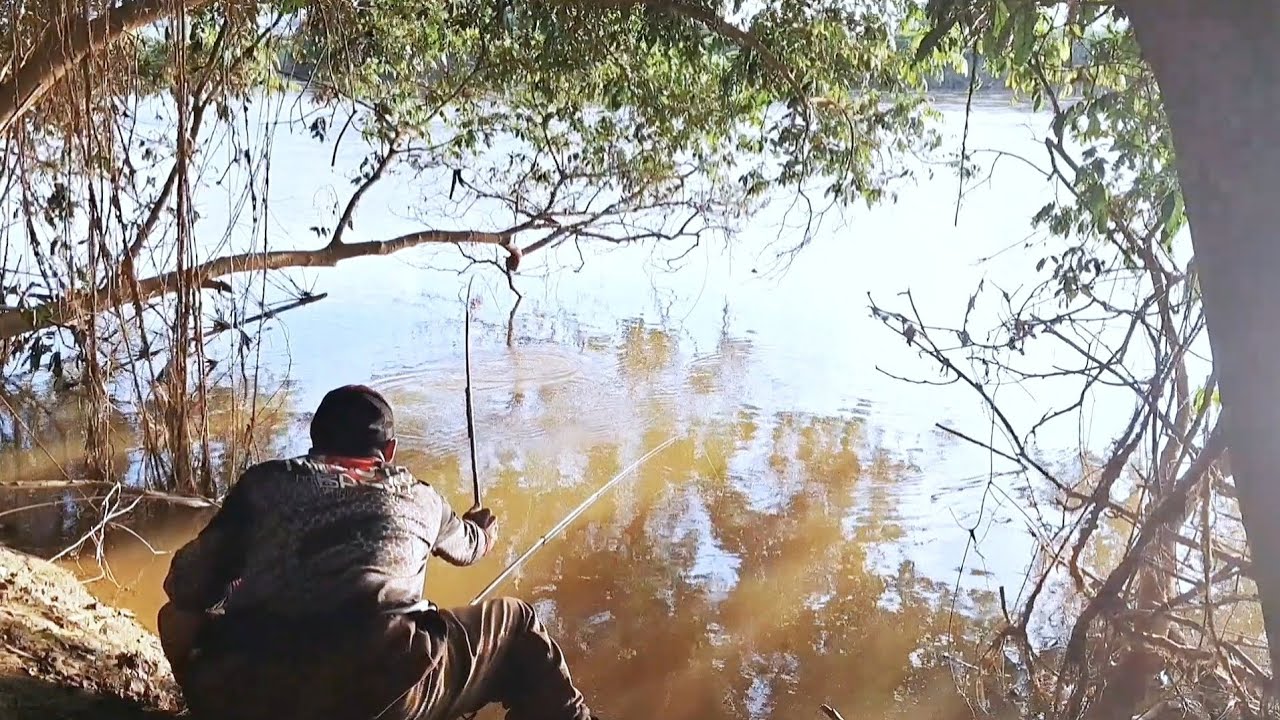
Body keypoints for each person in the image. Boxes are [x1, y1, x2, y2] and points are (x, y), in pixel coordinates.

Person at [156, 384, 598, 720]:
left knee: (175, 617)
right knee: (516, 623)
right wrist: (482, 528)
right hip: (384, 693)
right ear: (389, 452)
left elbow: (183, 587)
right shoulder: (419, 497)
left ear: (315, 445)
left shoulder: (263, 485)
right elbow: (470, 548)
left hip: (251, 692)